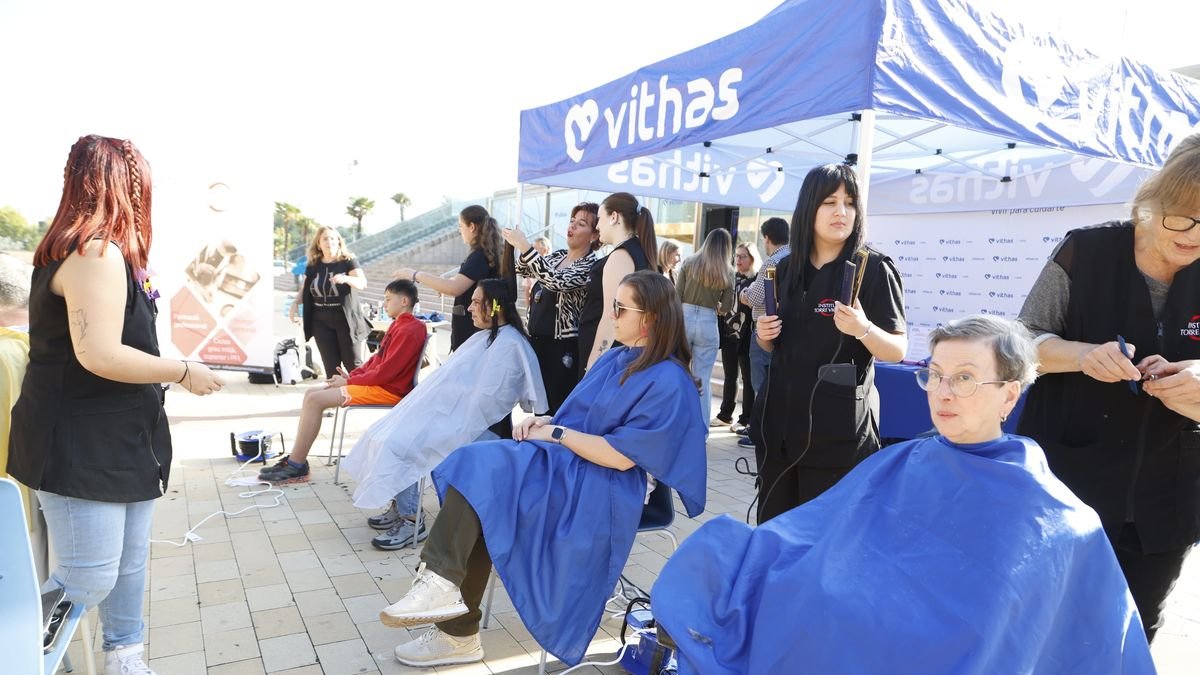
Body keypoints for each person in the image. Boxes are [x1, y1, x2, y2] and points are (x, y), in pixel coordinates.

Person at [651, 315, 1155, 675]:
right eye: (934, 375)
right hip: (863, 603)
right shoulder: (907, 458)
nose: (942, 392)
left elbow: (1008, 624)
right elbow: (827, 530)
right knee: (739, 557)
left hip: (947, 645)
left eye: (964, 378)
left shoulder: (1058, 515)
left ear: (1010, 393)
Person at [378, 271, 706, 669]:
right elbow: (578, 419)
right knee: (477, 473)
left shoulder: (670, 380)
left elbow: (620, 456)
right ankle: (444, 595)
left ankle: (450, 612)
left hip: (607, 484)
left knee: (485, 475)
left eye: (621, 308)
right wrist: (544, 424)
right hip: (571, 463)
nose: (612, 316)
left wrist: (556, 433)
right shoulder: (619, 357)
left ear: (651, 318)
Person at [7, 135, 225, 675]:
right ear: (128, 187)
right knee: (88, 575)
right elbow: (99, 354)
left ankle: (124, 656)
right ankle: (16, 649)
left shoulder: (105, 254)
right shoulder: (93, 252)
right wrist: (183, 371)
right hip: (81, 442)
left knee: (128, 565)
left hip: (123, 435)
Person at [1017, 132, 1200, 642]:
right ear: (1152, 202)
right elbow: (1021, 341)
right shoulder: (1085, 251)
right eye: (1183, 216)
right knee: (1050, 626)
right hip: (1069, 486)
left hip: (1168, 499)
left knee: (1133, 631)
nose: (1194, 235)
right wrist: (1081, 355)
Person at [753, 164, 907, 522]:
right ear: (809, 207)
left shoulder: (872, 269)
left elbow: (897, 350)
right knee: (775, 536)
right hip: (780, 433)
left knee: (827, 546)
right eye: (830, 202)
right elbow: (775, 348)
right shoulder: (786, 268)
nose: (842, 212)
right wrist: (764, 337)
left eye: (850, 203)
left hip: (838, 440)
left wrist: (864, 329)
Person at [341, 278, 546, 516]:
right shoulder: (486, 338)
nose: (469, 308)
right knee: (385, 434)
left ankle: (409, 520)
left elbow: (488, 401)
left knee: (403, 444)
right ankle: (400, 508)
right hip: (457, 418)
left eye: (476, 303)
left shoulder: (510, 345)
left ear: (495, 307)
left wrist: (443, 412)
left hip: (477, 429)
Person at [257, 279, 426, 490]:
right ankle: (295, 460)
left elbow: (386, 372)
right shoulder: (400, 324)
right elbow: (376, 362)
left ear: (404, 301)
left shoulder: (411, 328)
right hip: (382, 385)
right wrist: (351, 376)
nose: (384, 304)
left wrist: (349, 381)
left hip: (390, 391)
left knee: (316, 400)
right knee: (311, 394)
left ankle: (296, 465)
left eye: (388, 299)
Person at [503, 202, 600, 413]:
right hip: (537, 341)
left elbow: (557, 280)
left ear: (594, 235)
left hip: (562, 349)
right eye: (572, 221)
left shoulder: (591, 265)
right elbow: (523, 268)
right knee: (535, 406)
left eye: (581, 223)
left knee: (553, 407)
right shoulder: (557, 256)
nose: (572, 226)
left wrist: (526, 246)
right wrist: (516, 243)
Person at [395, 204, 503, 352]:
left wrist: (414, 274)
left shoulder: (479, 256)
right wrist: (447, 282)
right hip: (474, 331)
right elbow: (468, 283)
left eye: (461, 226)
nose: (460, 231)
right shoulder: (484, 254)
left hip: (472, 332)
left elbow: (455, 288)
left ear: (471, 227)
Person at [578, 192, 658, 371]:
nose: (597, 226)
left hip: (609, 354)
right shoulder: (638, 251)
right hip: (620, 351)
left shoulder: (621, 256)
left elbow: (611, 314)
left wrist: (593, 363)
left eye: (599, 218)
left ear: (613, 217)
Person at [290, 226, 370, 376]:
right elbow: (305, 289)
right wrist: (295, 303)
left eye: (333, 238)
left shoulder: (348, 261)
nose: (329, 242)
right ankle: (334, 399)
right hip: (320, 321)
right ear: (319, 244)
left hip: (346, 320)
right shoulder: (313, 265)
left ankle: (360, 398)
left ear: (339, 242)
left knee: (353, 365)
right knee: (331, 368)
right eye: (325, 239)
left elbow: (362, 283)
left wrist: (346, 278)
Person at [675, 228, 735, 427]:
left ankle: (676, 424)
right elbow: (726, 307)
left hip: (684, 317)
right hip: (708, 322)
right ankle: (701, 431)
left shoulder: (689, 262)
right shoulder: (728, 271)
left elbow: (677, 295)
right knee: (703, 380)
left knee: (677, 374)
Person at [716, 243, 758, 432]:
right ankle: (725, 414)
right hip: (728, 334)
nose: (738, 260)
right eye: (737, 256)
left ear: (753, 259)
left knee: (748, 379)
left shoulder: (757, 280)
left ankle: (746, 418)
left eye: (743, 257)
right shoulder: (731, 278)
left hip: (746, 336)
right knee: (730, 375)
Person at [521, 235, 552, 307]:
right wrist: (528, 308)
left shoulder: (553, 267)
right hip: (535, 304)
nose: (533, 251)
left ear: (545, 250)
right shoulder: (529, 268)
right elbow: (527, 290)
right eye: (533, 248)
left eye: (536, 248)